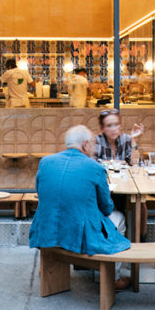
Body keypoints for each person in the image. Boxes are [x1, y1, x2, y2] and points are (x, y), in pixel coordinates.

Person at [29, 124, 131, 289]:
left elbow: (42, 194)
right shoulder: (96, 168)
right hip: (79, 233)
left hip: (47, 228)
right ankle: (113, 278)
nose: (93, 148)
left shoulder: (45, 162)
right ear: (85, 144)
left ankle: (48, 268)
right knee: (119, 218)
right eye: (92, 144)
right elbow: (106, 208)